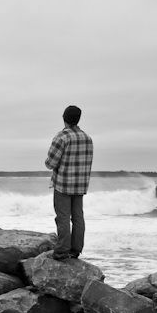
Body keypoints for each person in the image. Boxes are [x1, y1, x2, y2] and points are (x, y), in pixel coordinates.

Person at [45, 105, 94, 260]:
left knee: (63, 217)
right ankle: (76, 250)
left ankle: (61, 250)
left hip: (63, 184)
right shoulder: (87, 138)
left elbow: (50, 163)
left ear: (64, 118)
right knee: (78, 217)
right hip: (80, 185)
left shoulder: (62, 137)